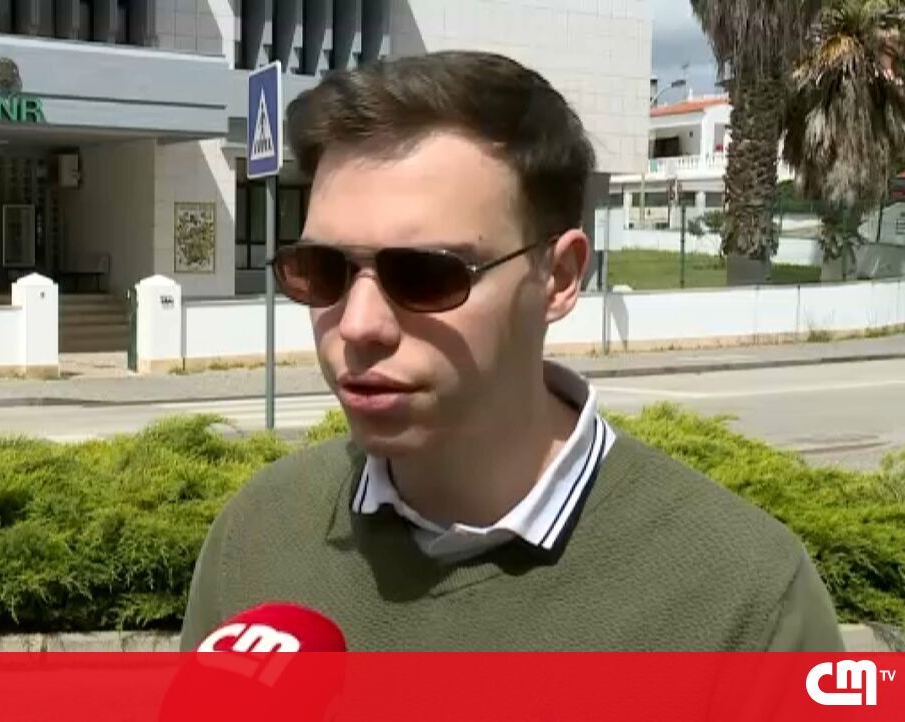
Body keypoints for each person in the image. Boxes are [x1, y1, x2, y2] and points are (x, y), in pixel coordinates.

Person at [179, 51, 844, 651]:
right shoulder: (256, 536)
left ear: (559, 278)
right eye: (323, 269)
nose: (358, 325)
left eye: (426, 274)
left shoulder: (746, 605)